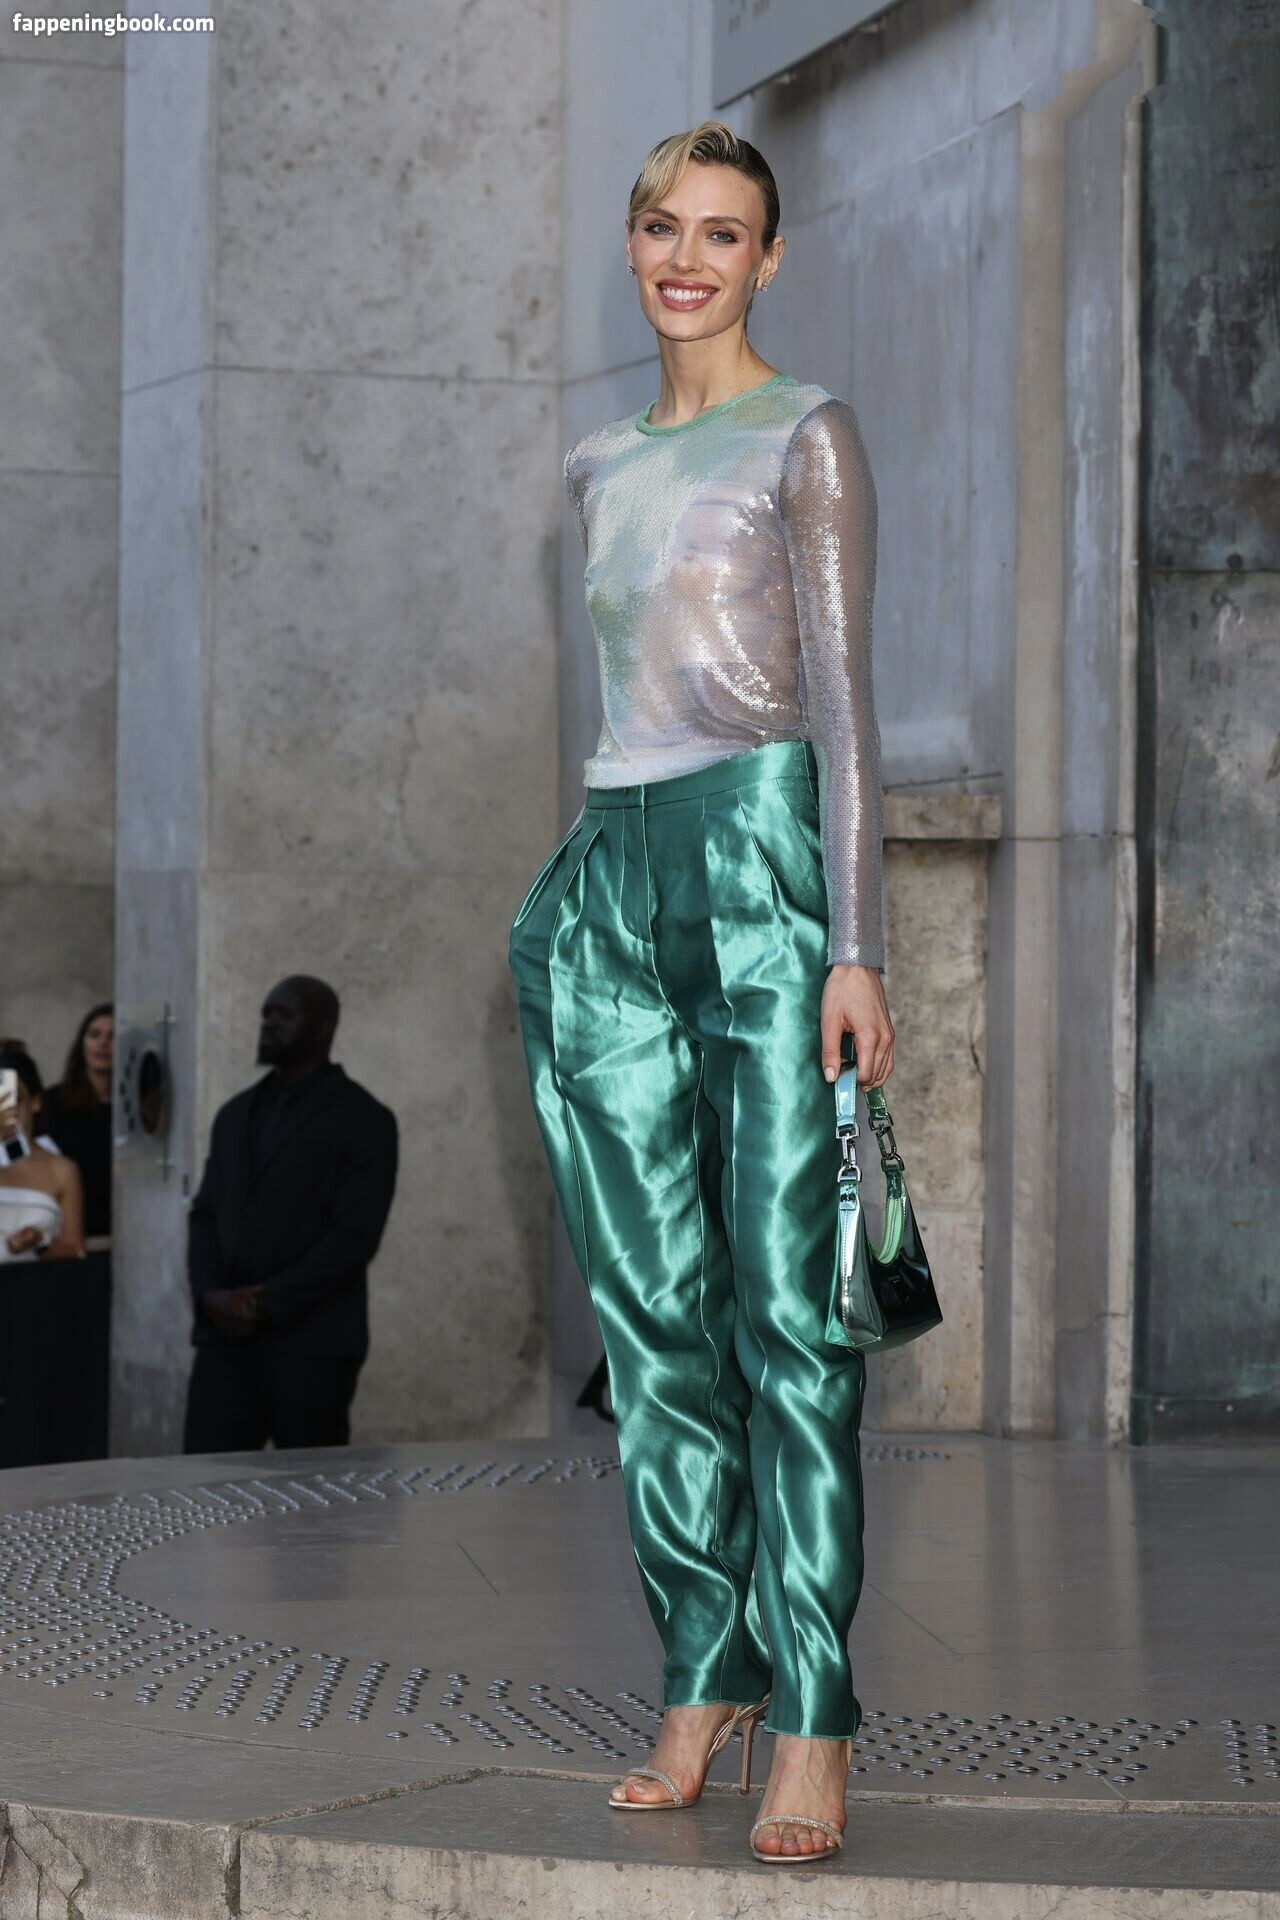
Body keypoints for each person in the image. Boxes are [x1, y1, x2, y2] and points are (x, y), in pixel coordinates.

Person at [508, 121, 894, 1864]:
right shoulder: (597, 460)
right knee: (653, 1321)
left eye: (722, 234)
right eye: (663, 226)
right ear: (634, 240)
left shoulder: (807, 435)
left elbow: (848, 712)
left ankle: (811, 1709)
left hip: (762, 870)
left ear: (768, 260)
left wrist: (854, 942)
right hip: (613, 876)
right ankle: (703, 1669)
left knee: (791, 1320)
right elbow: (618, 703)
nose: (687, 259)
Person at [181, 975, 399, 1452]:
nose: (268, 1023)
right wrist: (210, 1296)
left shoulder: (365, 1119)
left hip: (312, 1346)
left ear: (323, 1027)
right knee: (204, 1483)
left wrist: (264, 1303)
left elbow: (354, 1238)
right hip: (225, 1344)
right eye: (265, 1013)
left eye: (283, 1014)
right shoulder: (235, 1115)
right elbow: (205, 1216)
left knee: (312, 1489)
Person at [0, 1045, 86, 1262]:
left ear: (35, 1101)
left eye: (13, 1099)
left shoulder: (62, 1171)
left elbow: (77, 1254)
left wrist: (40, 1241)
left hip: (36, 1281)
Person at [38, 1002, 114, 1249]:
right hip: (71, 1239)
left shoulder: (142, 1109)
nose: (103, 1043)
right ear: (82, 1043)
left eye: (113, 1036)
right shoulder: (52, 1103)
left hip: (130, 1233)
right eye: (95, 1035)